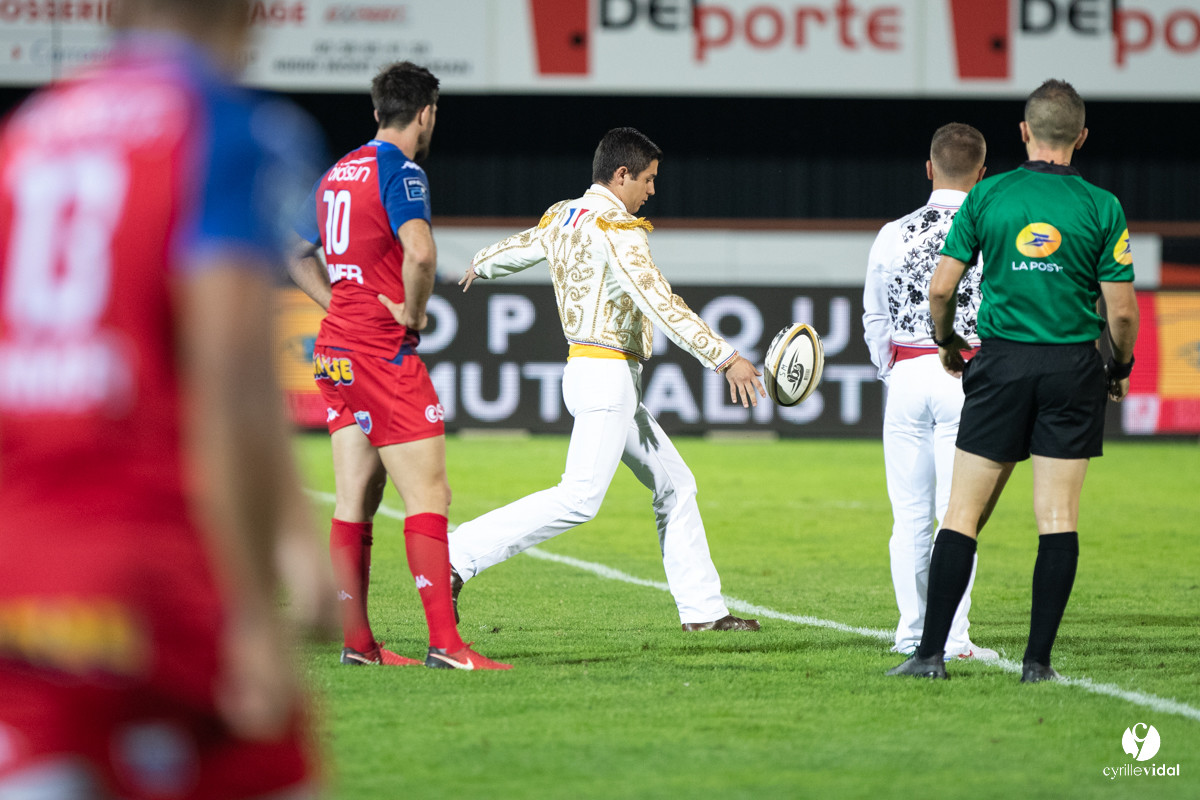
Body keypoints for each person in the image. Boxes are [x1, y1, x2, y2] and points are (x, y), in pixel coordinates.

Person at [0, 0, 335, 796]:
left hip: (21, 560)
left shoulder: (31, 133)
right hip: (149, 561)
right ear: (252, 16)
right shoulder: (227, 129)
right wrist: (258, 602)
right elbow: (232, 376)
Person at [448, 127, 765, 632]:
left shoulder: (563, 214)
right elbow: (659, 301)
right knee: (579, 498)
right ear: (621, 175)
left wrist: (481, 264)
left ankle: (704, 614)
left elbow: (522, 246)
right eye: (648, 179)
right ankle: (457, 553)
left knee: (676, 486)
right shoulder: (617, 226)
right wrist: (725, 357)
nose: (652, 191)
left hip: (591, 372)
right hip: (607, 376)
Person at [887, 79, 1139, 682]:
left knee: (961, 515)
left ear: (1023, 132)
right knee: (1058, 518)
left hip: (1000, 365)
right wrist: (1119, 366)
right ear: (1080, 137)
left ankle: (928, 656)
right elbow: (1123, 312)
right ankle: (1038, 664)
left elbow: (941, 289)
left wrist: (949, 345)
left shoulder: (989, 194)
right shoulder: (1103, 206)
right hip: (1072, 366)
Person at [289, 62, 510, 671]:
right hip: (380, 354)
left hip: (334, 350)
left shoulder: (337, 173)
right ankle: (448, 644)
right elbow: (420, 252)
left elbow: (293, 253)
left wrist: (338, 304)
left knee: (354, 496)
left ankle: (358, 645)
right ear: (426, 113)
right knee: (429, 493)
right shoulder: (401, 171)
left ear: (377, 110)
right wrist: (412, 315)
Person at [863, 123, 998, 662]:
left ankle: (912, 631)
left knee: (910, 515)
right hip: (968, 376)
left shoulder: (892, 232)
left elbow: (874, 314)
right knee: (957, 513)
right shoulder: (992, 229)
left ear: (929, 168)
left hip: (908, 375)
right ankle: (955, 639)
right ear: (982, 174)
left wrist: (891, 372)